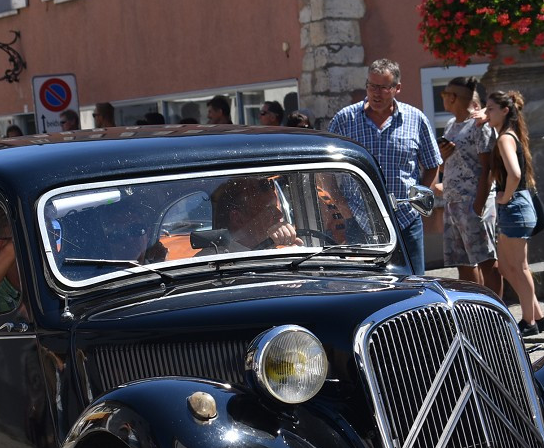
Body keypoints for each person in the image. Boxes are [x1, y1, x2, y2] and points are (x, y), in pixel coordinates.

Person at [329, 58, 441, 275]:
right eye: (371, 85)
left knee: (413, 284)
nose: (376, 93)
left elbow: (432, 164)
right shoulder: (345, 119)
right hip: (358, 220)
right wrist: (339, 203)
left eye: (383, 87)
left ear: (397, 88)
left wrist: (418, 200)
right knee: (367, 287)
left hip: (406, 219)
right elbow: (326, 168)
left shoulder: (415, 119)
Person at [485, 90, 544, 336]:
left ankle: (528, 323)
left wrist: (506, 196)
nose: (487, 113)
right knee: (510, 266)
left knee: (517, 267)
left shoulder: (504, 138)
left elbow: (515, 174)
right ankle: (538, 317)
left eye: (491, 108)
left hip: (514, 206)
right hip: (518, 205)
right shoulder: (511, 135)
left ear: (505, 111)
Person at [437, 77, 501, 296]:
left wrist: (479, 205)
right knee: (462, 263)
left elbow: (488, 168)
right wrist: (444, 158)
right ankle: (474, 311)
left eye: (445, 95)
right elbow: (450, 163)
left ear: (454, 98)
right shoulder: (450, 125)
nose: (443, 99)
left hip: (474, 202)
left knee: (486, 261)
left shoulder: (479, 126)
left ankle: (496, 316)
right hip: (452, 202)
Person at [204, 177, 303, 253]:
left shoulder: (282, 250)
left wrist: (295, 253)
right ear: (237, 218)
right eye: (269, 209)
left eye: (276, 207)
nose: (279, 214)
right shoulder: (214, 261)